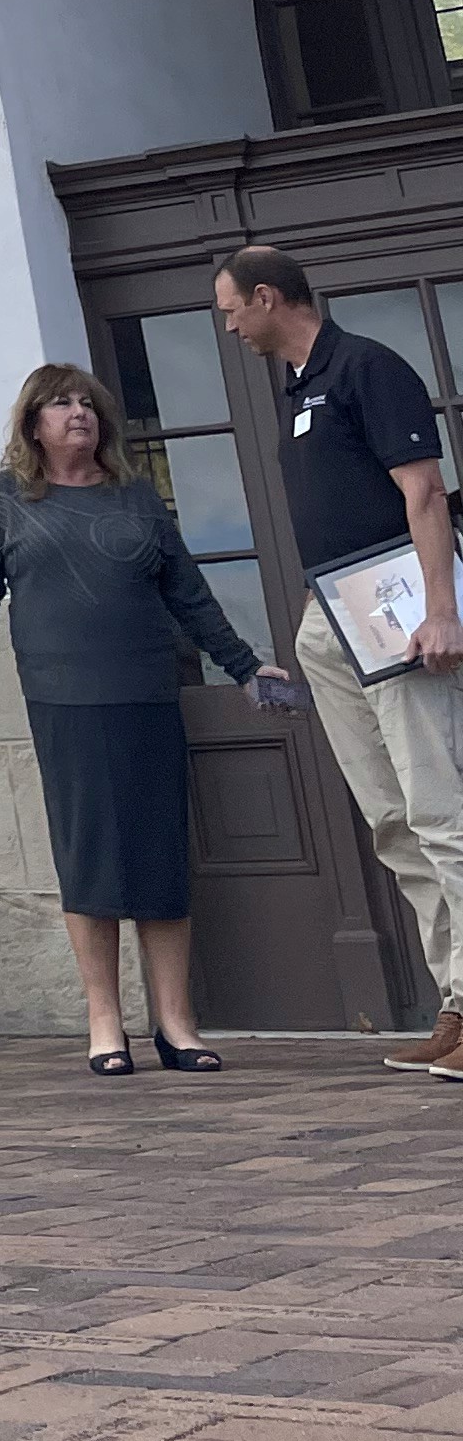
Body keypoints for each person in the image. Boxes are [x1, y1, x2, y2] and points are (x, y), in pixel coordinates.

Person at [0, 363, 296, 1072]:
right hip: (65, 703)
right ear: (33, 423)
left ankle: (177, 1025)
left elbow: (191, 596)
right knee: (89, 860)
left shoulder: (138, 500)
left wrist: (243, 665)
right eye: (60, 404)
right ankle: (105, 1023)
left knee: (157, 858)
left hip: (144, 695)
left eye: (87, 403)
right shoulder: (7, 501)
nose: (77, 413)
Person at [214, 240, 463, 1078]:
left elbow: (423, 491)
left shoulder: (365, 367)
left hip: (400, 607)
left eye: (230, 309)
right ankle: (457, 1003)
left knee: (441, 812)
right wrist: (308, 618)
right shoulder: (294, 391)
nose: (228, 325)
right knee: (392, 820)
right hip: (333, 614)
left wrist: (441, 609)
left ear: (266, 296)